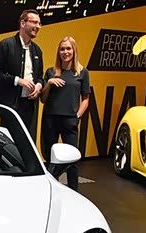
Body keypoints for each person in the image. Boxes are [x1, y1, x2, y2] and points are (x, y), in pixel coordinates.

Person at [40, 36, 90, 191]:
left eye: (68, 48)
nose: (65, 52)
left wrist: (77, 116)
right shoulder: (51, 72)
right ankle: (50, 190)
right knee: (50, 159)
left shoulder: (82, 72)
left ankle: (74, 192)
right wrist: (49, 83)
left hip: (70, 121)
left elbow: (86, 99)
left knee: (72, 161)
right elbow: (42, 99)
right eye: (62, 49)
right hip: (50, 120)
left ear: (74, 51)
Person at [0, 9, 44, 131]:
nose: (38, 26)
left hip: (29, 105)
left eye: (39, 23)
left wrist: (39, 85)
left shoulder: (37, 50)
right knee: (8, 139)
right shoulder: (6, 45)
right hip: (10, 106)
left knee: (24, 140)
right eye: (34, 22)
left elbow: (40, 76)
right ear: (23, 23)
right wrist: (18, 81)